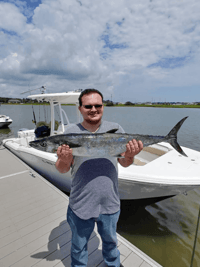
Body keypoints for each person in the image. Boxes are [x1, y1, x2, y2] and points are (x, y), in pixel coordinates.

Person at [55, 88, 143, 267]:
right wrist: (64, 159)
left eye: (98, 105)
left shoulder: (115, 128)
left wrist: (131, 155)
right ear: (80, 108)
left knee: (111, 244)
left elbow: (125, 163)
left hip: (109, 201)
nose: (93, 109)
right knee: (79, 247)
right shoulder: (70, 132)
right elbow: (62, 169)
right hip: (81, 202)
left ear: (103, 107)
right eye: (88, 106)